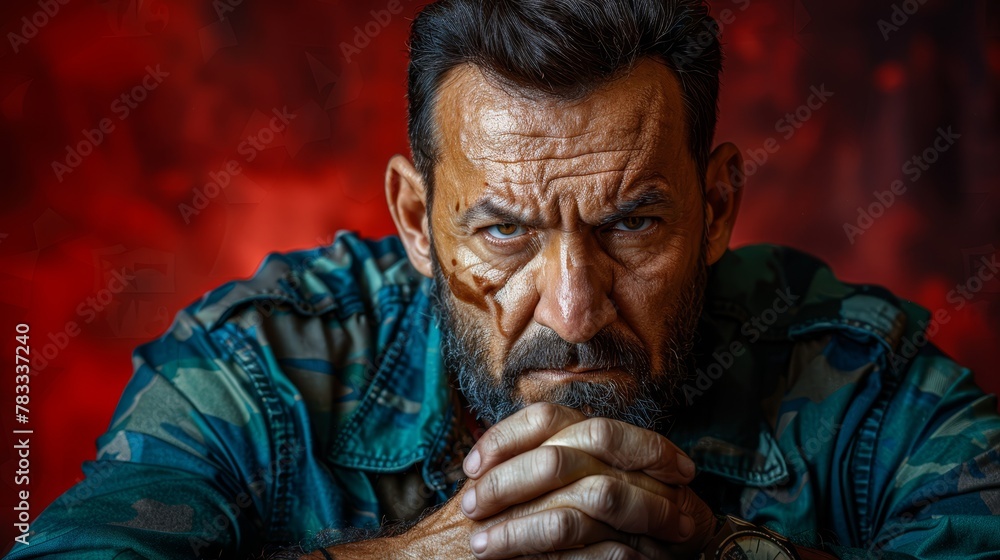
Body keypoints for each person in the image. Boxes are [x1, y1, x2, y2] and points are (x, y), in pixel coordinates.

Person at [7, 0, 1000, 559]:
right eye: (504, 231)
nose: (571, 306)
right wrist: (415, 558)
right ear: (413, 219)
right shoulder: (260, 364)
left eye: (635, 223)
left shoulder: (860, 379)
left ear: (719, 206)